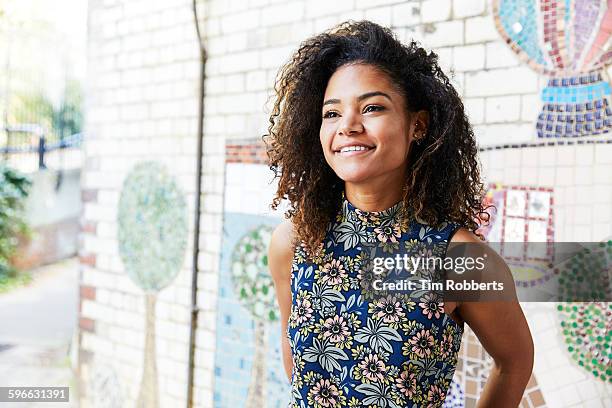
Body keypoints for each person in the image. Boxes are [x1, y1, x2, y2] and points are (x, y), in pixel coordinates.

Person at [265, 20, 533, 408]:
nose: (349, 127)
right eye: (332, 113)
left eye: (372, 107)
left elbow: (514, 362)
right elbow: (297, 362)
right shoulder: (293, 243)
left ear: (417, 126)